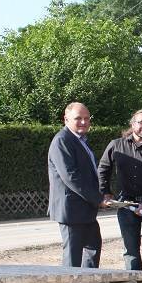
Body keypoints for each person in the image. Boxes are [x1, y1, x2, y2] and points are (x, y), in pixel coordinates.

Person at [98, 109, 142, 277]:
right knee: (130, 250)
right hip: (126, 204)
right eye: (141, 122)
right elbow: (103, 169)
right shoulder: (116, 145)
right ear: (132, 123)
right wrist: (105, 193)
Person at [47, 102, 104, 268]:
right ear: (66, 119)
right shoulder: (62, 141)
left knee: (93, 248)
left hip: (85, 209)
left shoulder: (80, 141)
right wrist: (97, 199)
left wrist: (102, 194)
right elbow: (71, 177)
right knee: (72, 259)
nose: (84, 122)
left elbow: (89, 173)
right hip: (71, 211)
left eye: (87, 118)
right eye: (78, 118)